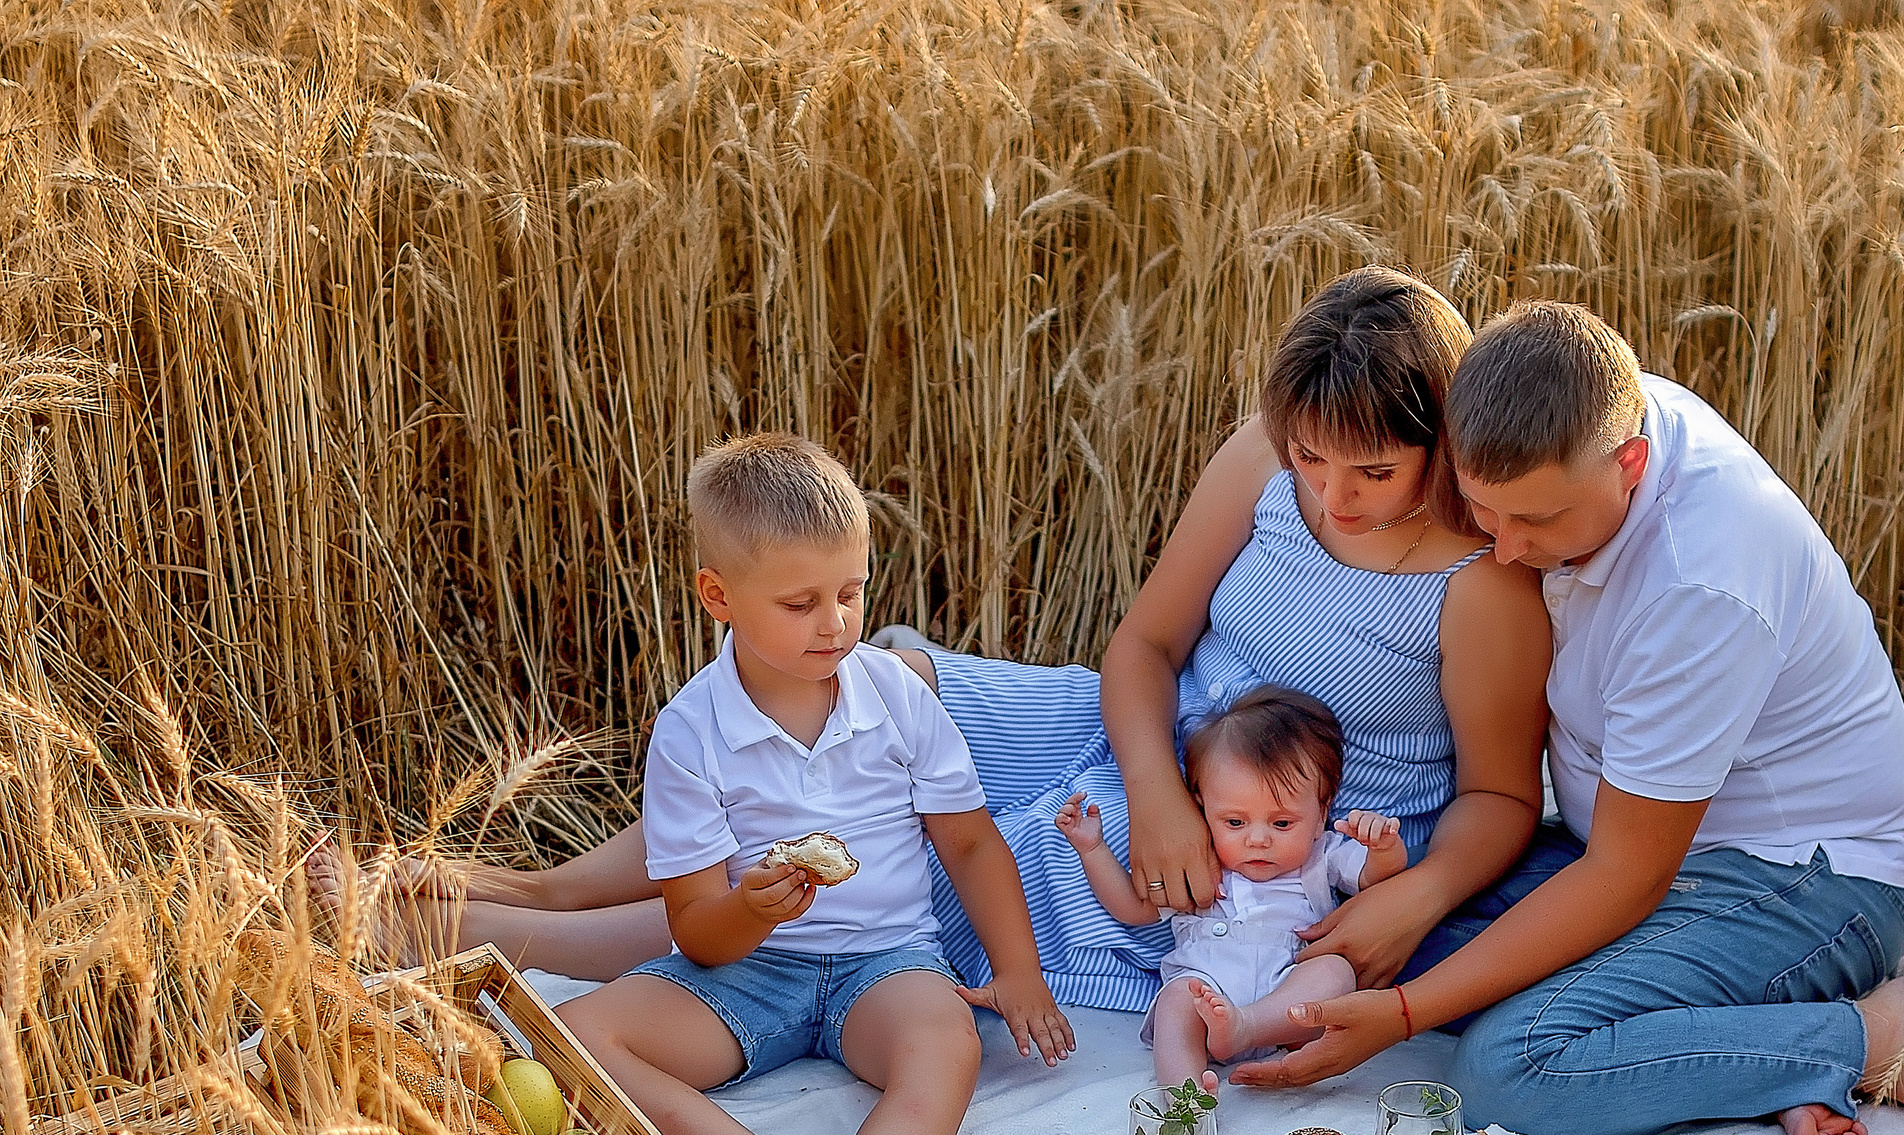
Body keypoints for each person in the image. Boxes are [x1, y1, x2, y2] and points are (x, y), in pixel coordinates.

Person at [342, 269, 1551, 1030]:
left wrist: (1417, 893)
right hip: (1144, 733)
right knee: (891, 684)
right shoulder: (1263, 457)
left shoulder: (1479, 586)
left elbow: (1502, 796)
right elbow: (1146, 643)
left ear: (1441, 439)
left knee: (885, 860)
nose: (1331, 495)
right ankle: (543, 882)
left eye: (1372, 471)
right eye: (1310, 461)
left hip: (1269, 814)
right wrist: (1148, 784)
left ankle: (486, 933)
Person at [1233, 302, 1904, 1135]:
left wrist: (1399, 1017)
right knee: (1382, 922)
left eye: (1537, 523)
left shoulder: (1699, 584)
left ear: (1631, 465)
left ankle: (1869, 1037)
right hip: (1628, 842)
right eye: (1485, 511)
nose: (1505, 550)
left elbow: (1625, 876)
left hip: (1801, 880)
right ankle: (1731, 1051)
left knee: (1509, 1068)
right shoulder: (1566, 406)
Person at [557, 433, 1074, 1135]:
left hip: (886, 961)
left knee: (945, 1043)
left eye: (850, 592)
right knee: (577, 1034)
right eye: (800, 603)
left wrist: (1018, 968)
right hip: (748, 969)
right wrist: (749, 910)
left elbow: (969, 843)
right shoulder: (691, 732)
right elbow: (695, 930)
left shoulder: (896, 695)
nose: (834, 622)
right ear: (718, 595)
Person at [1057, 686, 1407, 1092]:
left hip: (1285, 1008)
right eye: (1235, 823)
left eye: (1281, 823)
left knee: (1334, 972)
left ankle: (1247, 1027)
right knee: (1176, 1002)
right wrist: (1093, 850)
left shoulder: (1321, 856)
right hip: (1205, 990)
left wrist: (1383, 847)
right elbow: (1133, 910)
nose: (1257, 840)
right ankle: (1184, 1097)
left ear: (1320, 816)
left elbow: (1375, 877)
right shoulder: (1199, 865)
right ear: (1202, 808)